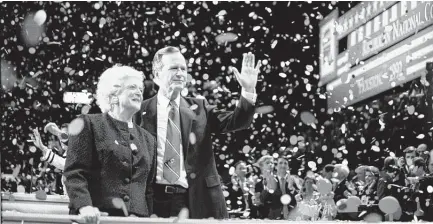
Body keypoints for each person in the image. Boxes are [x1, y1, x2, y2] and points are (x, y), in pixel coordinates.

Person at [134, 46, 260, 219]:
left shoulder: (200, 108)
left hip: (196, 201)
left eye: (183, 69)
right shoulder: (138, 112)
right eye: (173, 68)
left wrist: (247, 92)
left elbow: (238, 121)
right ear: (156, 76)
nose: (180, 73)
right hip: (153, 202)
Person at [64, 65, 156, 223]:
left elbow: (149, 189)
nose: (139, 92)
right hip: (98, 218)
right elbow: (75, 173)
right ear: (113, 95)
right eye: (132, 87)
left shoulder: (149, 139)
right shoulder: (88, 124)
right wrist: (84, 206)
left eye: (140, 89)